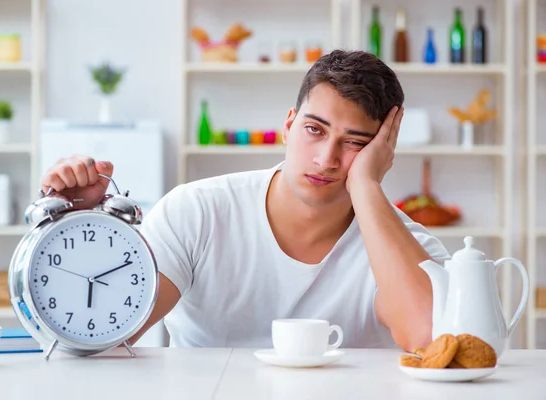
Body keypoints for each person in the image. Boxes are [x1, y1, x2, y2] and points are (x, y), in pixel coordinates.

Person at [40, 49, 450, 352]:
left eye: (355, 143)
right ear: (288, 125)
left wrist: (366, 188)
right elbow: (103, 338)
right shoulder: (197, 211)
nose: (326, 159)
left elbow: (431, 340)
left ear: (383, 153)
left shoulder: (407, 247)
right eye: (314, 130)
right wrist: (78, 228)